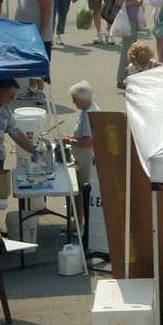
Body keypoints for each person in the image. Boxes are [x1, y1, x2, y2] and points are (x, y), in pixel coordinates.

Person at [15, 0, 54, 104]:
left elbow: (47, 12)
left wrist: (40, 34)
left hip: (39, 36)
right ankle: (32, 89)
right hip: (27, 36)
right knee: (30, 64)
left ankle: (41, 92)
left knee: (39, 66)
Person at [63, 80, 99, 228]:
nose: (73, 103)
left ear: (83, 100)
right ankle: (78, 219)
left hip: (85, 159)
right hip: (81, 157)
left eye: (75, 100)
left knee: (81, 191)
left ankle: (79, 222)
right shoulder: (86, 111)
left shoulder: (91, 114)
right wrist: (71, 137)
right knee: (78, 190)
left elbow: (88, 141)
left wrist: (70, 141)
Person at [114, 0, 145, 89]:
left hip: (133, 18)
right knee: (127, 50)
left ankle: (128, 76)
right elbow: (119, 2)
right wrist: (136, 3)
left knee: (131, 49)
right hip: (127, 19)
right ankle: (121, 78)